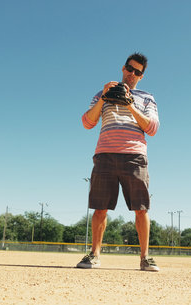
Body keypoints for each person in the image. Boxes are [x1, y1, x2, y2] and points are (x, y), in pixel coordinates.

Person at [77, 53, 160, 271]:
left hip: (134, 156)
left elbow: (152, 128)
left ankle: (145, 257)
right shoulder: (102, 93)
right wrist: (105, 97)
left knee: (141, 209)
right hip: (105, 154)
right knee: (99, 208)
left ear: (141, 77)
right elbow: (87, 122)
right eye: (129, 69)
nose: (132, 74)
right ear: (123, 68)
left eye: (138, 72)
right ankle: (94, 254)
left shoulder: (147, 97)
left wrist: (130, 104)